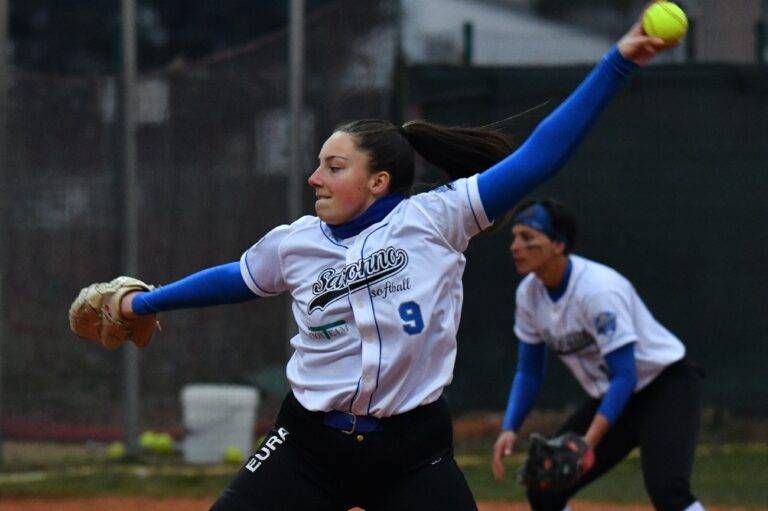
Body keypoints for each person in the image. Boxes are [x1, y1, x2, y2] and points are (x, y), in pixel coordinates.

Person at [91, 17, 669, 511]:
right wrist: (143, 300)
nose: (315, 178)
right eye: (318, 165)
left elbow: (540, 153)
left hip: (412, 453)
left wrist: (617, 63)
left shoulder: (438, 220)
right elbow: (235, 279)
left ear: (378, 180)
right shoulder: (294, 242)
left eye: (334, 166)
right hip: (307, 444)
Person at [491, 197, 705, 511]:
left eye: (527, 237)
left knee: (668, 491)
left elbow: (625, 373)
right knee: (546, 488)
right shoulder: (529, 295)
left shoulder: (597, 290)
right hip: (615, 396)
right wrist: (509, 427)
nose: (515, 246)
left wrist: (586, 443)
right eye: (514, 237)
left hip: (665, 386)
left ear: (558, 244)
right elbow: (529, 372)